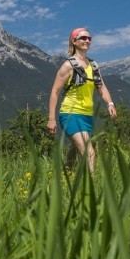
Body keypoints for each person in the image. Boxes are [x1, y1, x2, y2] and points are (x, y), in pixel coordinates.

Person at [47, 28, 117, 172]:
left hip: (87, 116)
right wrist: (51, 119)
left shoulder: (94, 66)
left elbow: (101, 87)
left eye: (89, 38)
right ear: (74, 41)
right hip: (70, 114)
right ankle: (90, 189)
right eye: (83, 38)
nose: (87, 41)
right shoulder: (68, 66)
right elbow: (54, 92)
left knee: (76, 148)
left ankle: (66, 172)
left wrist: (110, 103)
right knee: (89, 152)